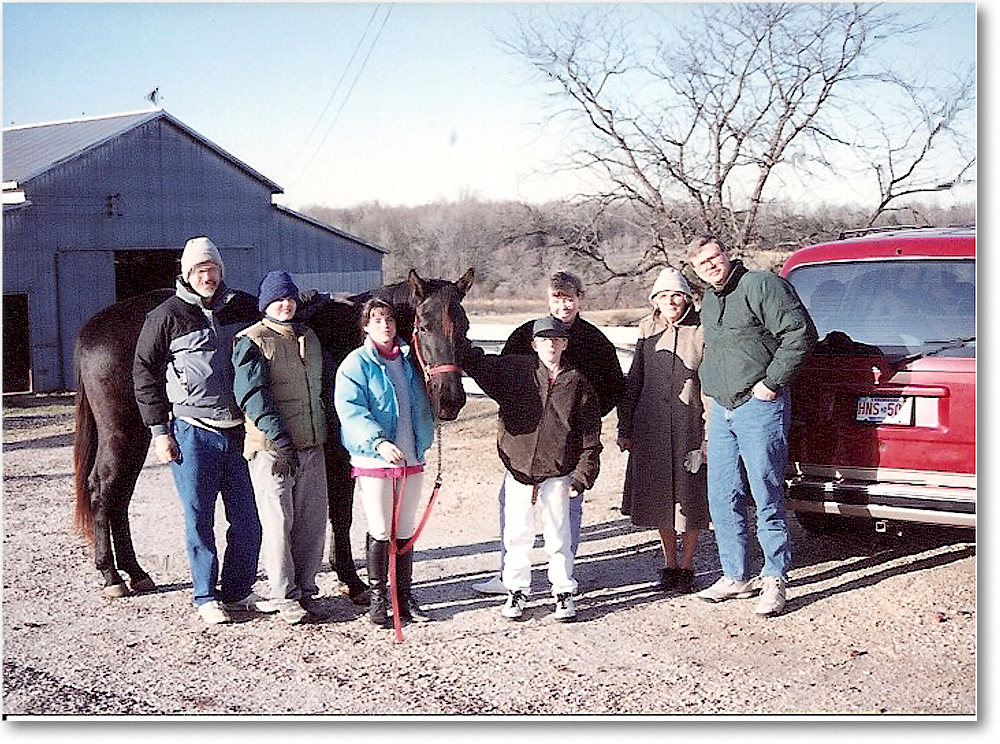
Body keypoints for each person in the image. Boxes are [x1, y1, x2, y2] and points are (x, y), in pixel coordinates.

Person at [133, 236, 263, 624]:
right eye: (200, 270)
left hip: (239, 432)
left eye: (213, 269)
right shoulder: (166, 315)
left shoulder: (242, 306)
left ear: (221, 271)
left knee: (248, 520)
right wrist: (159, 431)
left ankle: (238, 592)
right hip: (192, 431)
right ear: (187, 274)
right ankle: (206, 596)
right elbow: (144, 372)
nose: (208, 276)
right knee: (199, 517)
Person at [687, 235, 817, 617]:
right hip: (723, 410)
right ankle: (735, 574)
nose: (710, 265)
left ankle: (775, 577)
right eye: (702, 263)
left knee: (766, 492)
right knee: (723, 494)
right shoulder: (709, 301)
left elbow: (799, 334)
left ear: (727, 255)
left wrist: (771, 382)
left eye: (714, 257)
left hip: (759, 405)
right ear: (694, 270)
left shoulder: (760, 284)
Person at [473, 271, 624, 595]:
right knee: (513, 508)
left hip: (567, 446)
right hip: (525, 444)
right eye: (557, 298)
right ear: (548, 300)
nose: (564, 304)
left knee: (566, 510)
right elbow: (501, 379)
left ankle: (564, 576)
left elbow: (613, 385)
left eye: (569, 298)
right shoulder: (524, 336)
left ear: (579, 299)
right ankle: (508, 576)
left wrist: (583, 420)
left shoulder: (594, 342)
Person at [459, 316, 603, 622]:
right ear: (534, 344)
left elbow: (591, 435)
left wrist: (582, 476)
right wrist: (454, 341)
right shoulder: (515, 372)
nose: (550, 345)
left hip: (559, 473)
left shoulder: (578, 383)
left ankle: (563, 592)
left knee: (558, 536)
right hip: (519, 469)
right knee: (517, 534)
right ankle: (516, 590)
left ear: (564, 344)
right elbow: (477, 364)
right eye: (544, 340)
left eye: (556, 340)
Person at [232, 271, 330, 625]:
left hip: (311, 443)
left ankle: (306, 588)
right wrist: (280, 439)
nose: (284, 304)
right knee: (279, 522)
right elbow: (252, 396)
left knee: (312, 522)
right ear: (264, 304)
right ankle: (283, 594)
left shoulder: (307, 337)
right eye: (277, 299)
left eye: (289, 298)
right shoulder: (252, 341)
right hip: (273, 448)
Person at [334, 297, 436, 628]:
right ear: (365, 326)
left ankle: (403, 597)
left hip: (411, 457)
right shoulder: (355, 364)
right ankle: (379, 598)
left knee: (405, 530)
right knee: (381, 529)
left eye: (389, 319)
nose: (385, 325)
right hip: (374, 460)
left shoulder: (410, 361)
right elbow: (350, 409)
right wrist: (378, 441)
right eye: (376, 320)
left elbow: (425, 399)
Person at [617, 268, 709, 595]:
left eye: (677, 295)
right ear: (655, 300)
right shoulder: (646, 329)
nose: (671, 301)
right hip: (651, 426)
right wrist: (624, 426)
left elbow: (710, 385)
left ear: (687, 297)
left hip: (690, 426)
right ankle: (669, 564)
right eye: (663, 295)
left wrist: (708, 433)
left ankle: (687, 565)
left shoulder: (702, 330)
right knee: (660, 498)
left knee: (693, 494)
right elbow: (634, 381)